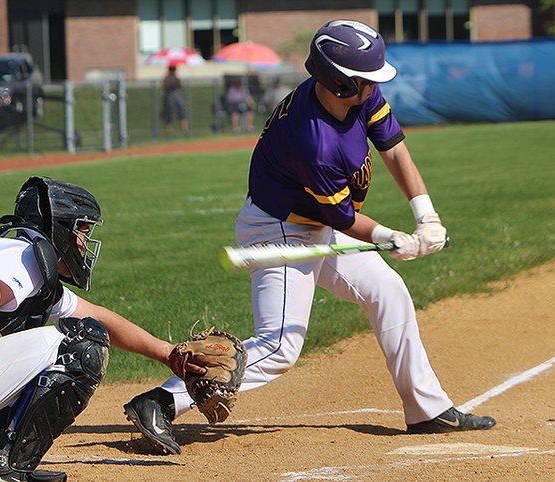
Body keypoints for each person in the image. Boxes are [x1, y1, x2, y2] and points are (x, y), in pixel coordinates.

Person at [123, 19, 496, 455]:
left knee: (388, 291)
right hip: (279, 228)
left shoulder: (359, 94)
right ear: (338, 82)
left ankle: (426, 410)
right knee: (280, 345)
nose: (373, 85)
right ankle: (161, 401)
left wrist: (425, 213)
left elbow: (392, 146)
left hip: (315, 223)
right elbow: (341, 218)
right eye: (365, 78)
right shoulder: (312, 140)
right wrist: (391, 237)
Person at [0, 177, 188, 480]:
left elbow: (100, 316)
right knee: (83, 344)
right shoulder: (24, 258)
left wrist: (167, 353)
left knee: (81, 331)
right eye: (81, 229)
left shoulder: (18, 259)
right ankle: (7, 466)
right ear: (58, 228)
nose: (83, 241)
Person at [161, 64, 189, 136]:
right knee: (169, 115)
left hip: (177, 98)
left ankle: (185, 130)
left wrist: (177, 81)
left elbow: (181, 86)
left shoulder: (176, 77)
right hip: (169, 98)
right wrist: (172, 83)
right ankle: (169, 131)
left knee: (182, 113)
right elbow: (165, 86)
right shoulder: (167, 77)